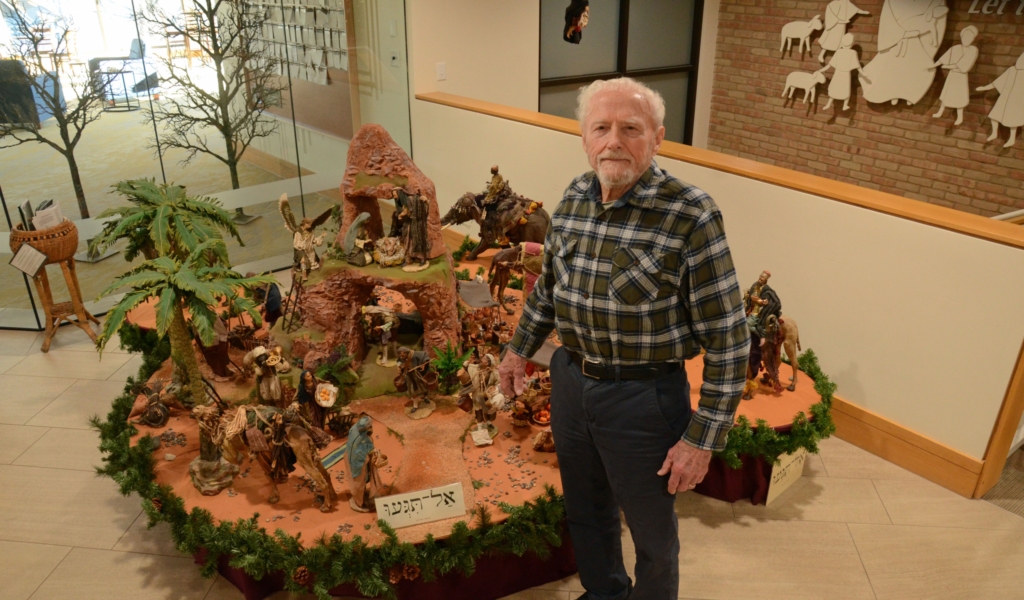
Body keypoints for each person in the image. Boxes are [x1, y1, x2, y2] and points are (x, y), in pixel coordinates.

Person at [499, 77, 748, 600]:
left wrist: (702, 439)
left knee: (653, 536)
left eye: (630, 129)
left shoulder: (690, 213)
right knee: (586, 512)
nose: (614, 141)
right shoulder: (572, 196)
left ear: (657, 137)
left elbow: (728, 336)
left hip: (645, 400)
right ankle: (603, 593)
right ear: (584, 138)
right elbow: (549, 286)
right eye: (602, 128)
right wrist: (519, 349)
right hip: (571, 383)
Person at [932, 26, 979, 126]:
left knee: (959, 96)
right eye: (965, 37)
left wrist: (948, 66)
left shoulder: (973, 50)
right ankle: (940, 111)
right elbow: (943, 59)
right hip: (952, 76)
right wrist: (933, 65)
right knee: (947, 93)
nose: (966, 40)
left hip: (961, 77)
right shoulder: (955, 48)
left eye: (969, 38)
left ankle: (960, 117)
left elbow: (964, 65)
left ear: (973, 39)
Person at [346, 415, 383, 512]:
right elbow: (365, 452)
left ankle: (363, 494)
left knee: (362, 480)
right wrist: (374, 453)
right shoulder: (361, 439)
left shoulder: (354, 428)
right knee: (358, 483)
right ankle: (359, 503)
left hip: (351, 457)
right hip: (357, 464)